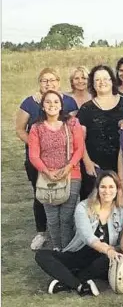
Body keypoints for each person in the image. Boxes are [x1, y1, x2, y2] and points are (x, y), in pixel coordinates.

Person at [34, 171, 123, 296]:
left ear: (117, 190)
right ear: (97, 188)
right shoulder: (83, 207)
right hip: (78, 253)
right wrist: (108, 250)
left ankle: (66, 279)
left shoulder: (121, 214)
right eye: (103, 186)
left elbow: (121, 243)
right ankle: (80, 285)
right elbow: (87, 237)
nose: (107, 191)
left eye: (111, 187)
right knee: (41, 255)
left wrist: (113, 251)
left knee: (106, 260)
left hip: (100, 259)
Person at [15, 67, 78, 250]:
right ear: (39, 83)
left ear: (58, 82)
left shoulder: (69, 102)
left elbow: (72, 132)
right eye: (44, 80)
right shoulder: (30, 102)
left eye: (52, 80)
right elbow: (20, 129)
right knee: (41, 193)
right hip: (37, 159)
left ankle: (68, 234)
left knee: (67, 194)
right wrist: (37, 147)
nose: (48, 83)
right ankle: (42, 232)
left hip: (64, 161)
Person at [28, 90, 85, 250]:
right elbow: (34, 155)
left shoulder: (72, 123)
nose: (52, 105)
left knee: (66, 218)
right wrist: (47, 171)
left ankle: (67, 251)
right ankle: (57, 249)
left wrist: (68, 167)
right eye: (48, 102)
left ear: (61, 105)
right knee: (52, 219)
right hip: (47, 179)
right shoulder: (36, 128)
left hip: (71, 175)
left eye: (56, 102)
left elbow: (79, 149)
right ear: (43, 106)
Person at [77, 65, 123, 200]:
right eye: (97, 80)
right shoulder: (86, 109)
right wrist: (87, 162)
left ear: (112, 81)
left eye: (105, 78)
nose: (102, 82)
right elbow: (79, 138)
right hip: (95, 166)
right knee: (94, 204)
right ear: (92, 84)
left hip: (121, 164)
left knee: (119, 204)